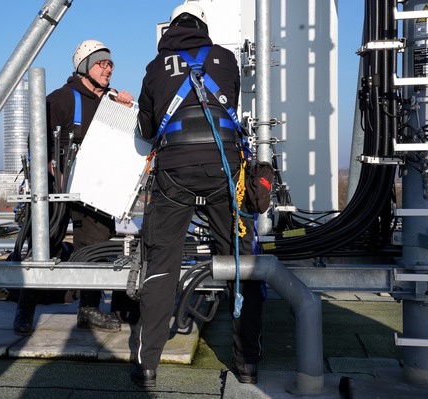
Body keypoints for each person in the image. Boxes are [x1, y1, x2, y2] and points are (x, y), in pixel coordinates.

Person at [130, 4, 264, 387]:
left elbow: (144, 133)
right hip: (226, 170)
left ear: (170, 30)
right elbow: (230, 109)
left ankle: (147, 364)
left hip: (174, 174)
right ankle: (248, 363)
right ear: (203, 28)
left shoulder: (156, 68)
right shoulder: (225, 59)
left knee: (161, 262)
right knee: (242, 261)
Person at [12, 40, 135, 336]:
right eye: (101, 63)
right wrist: (49, 167)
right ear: (84, 68)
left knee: (94, 247)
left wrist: (128, 107)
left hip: (94, 187)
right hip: (57, 187)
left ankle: (88, 310)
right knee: (45, 244)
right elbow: (36, 141)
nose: (108, 69)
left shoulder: (112, 101)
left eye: (110, 64)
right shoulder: (62, 99)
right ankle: (25, 309)